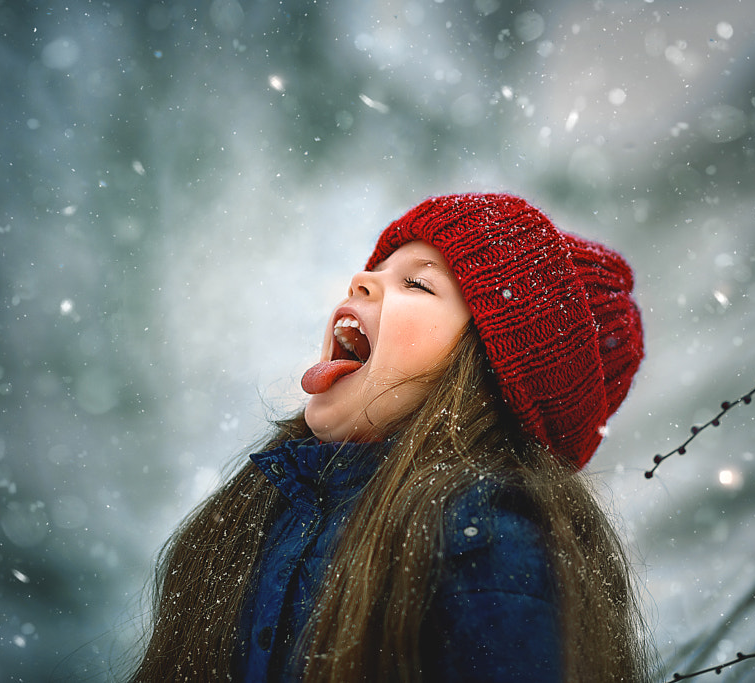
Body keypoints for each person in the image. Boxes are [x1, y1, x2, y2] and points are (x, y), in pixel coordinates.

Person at [129, 193, 656, 682]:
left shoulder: (489, 540)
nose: (360, 279)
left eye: (418, 283)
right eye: (377, 268)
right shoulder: (264, 505)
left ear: (488, 378)